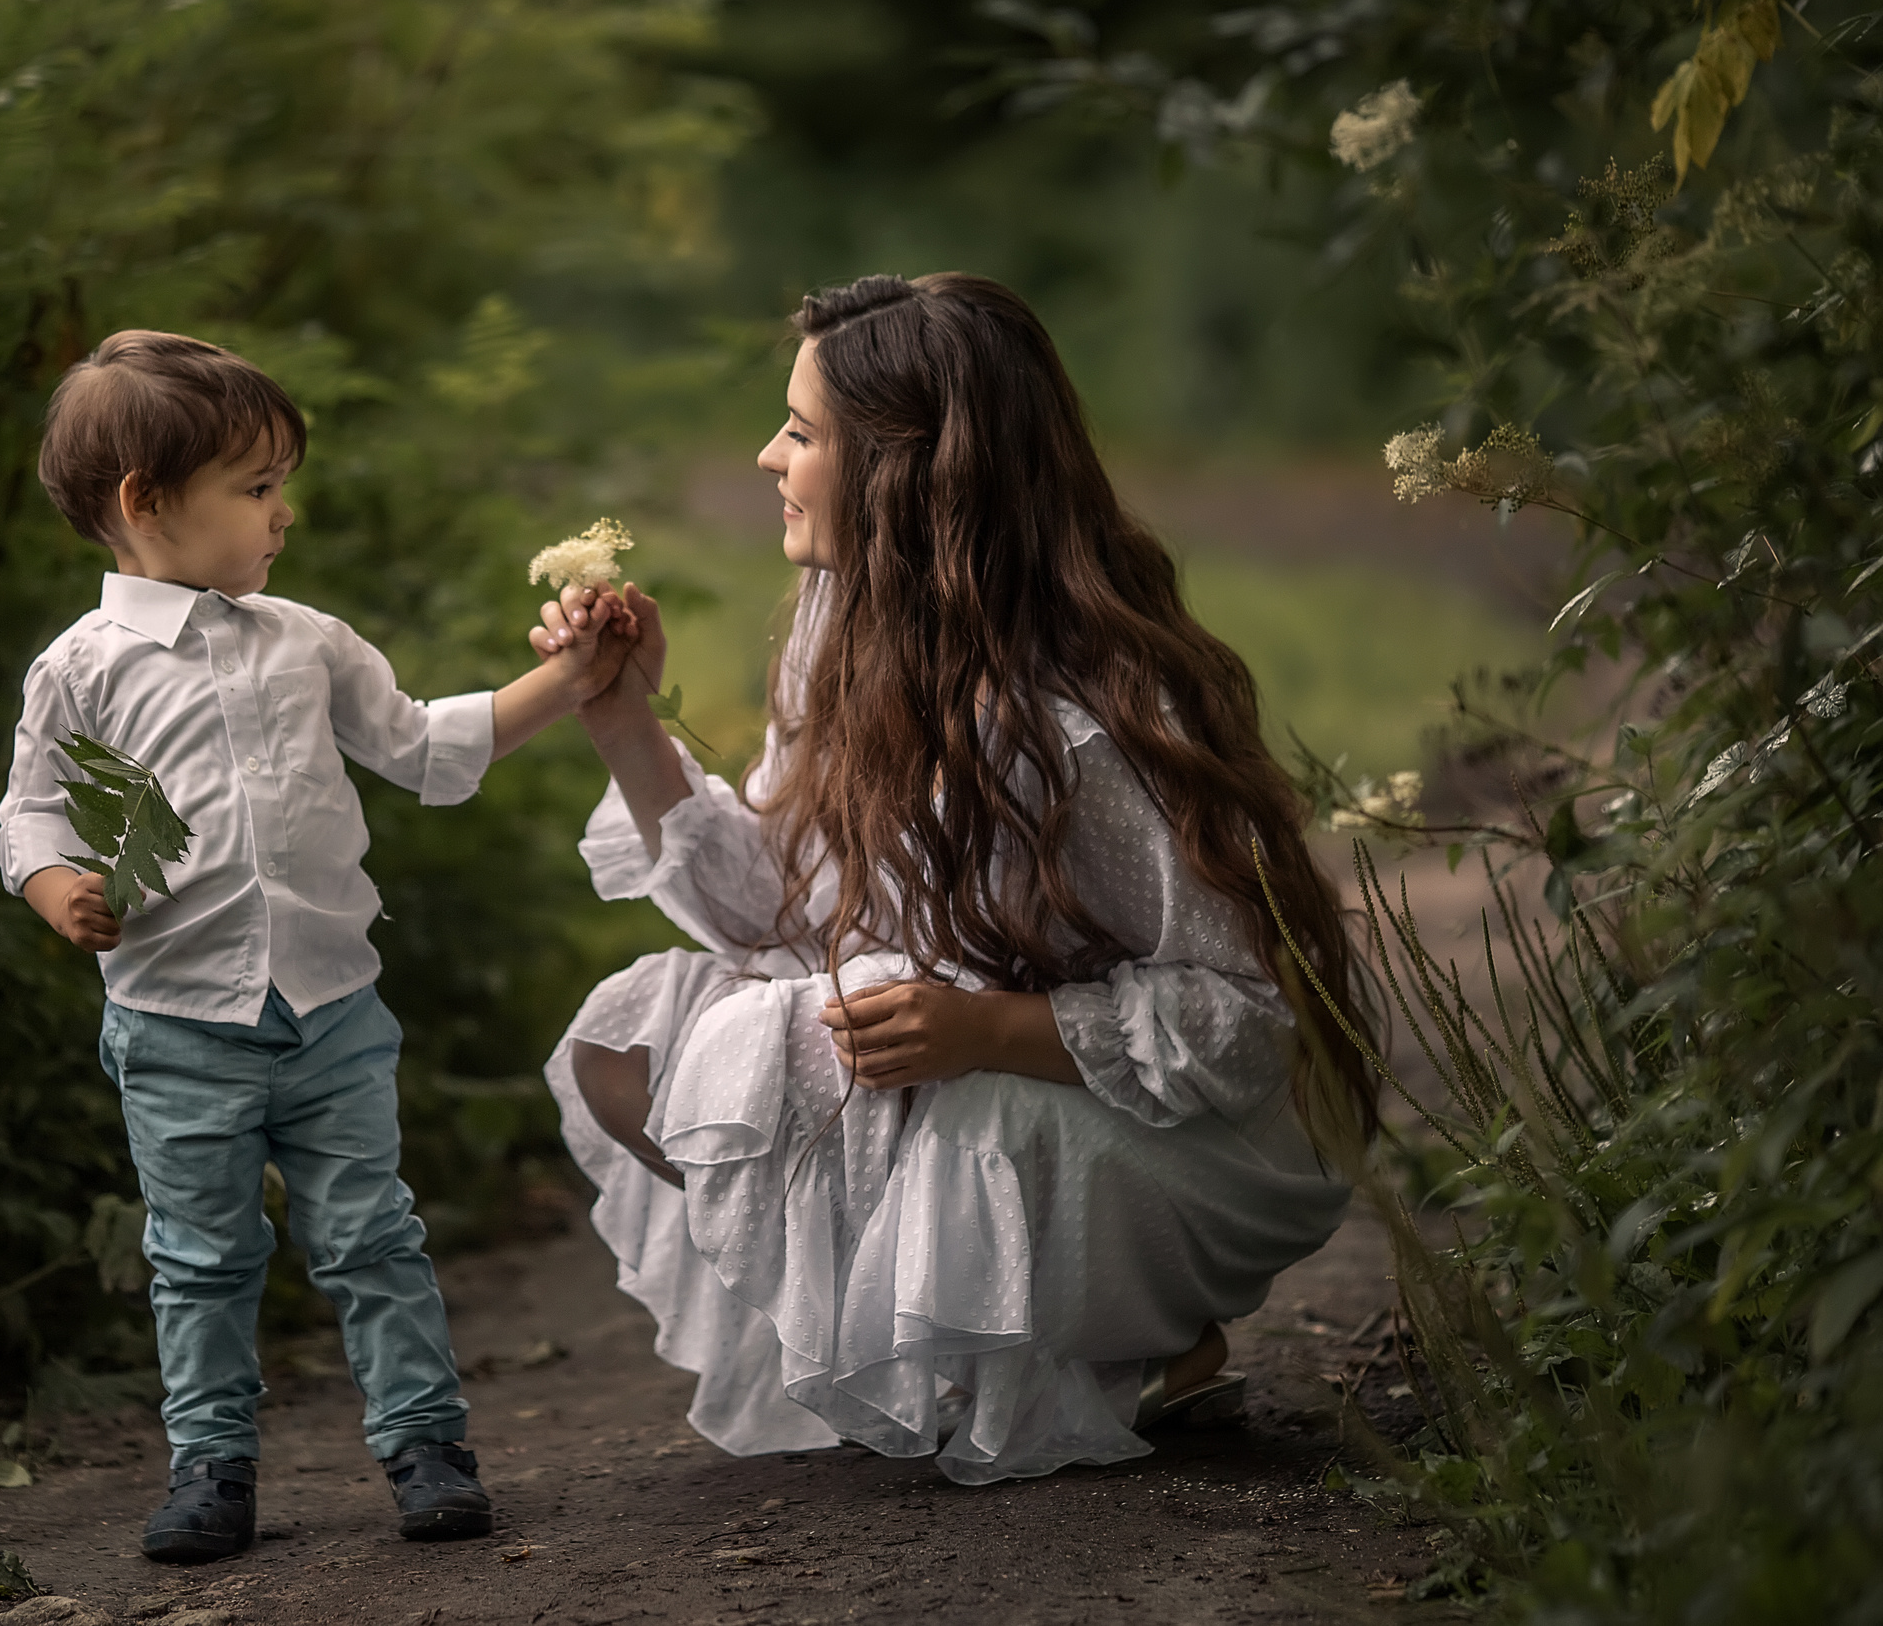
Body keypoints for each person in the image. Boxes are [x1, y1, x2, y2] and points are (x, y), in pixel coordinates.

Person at [529, 273, 1379, 1484]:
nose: (768, 458)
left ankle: (1149, 1333)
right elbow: (776, 913)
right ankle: (944, 1343)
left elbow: (1240, 1023)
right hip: (953, 1065)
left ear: (911, 467)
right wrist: (623, 722)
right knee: (640, 1048)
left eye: (803, 432)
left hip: (1145, 1135)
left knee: (975, 1113)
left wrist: (988, 1028)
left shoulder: (1080, 715)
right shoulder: (842, 630)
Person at [0, 331, 617, 1560]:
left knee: (372, 1235)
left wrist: (574, 678)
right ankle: (211, 1472)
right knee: (201, 1258)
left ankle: (427, 1448)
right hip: (177, 1020)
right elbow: (31, 810)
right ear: (147, 504)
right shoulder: (80, 670)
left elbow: (428, 748)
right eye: (258, 488)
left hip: (330, 1007)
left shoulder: (307, 641)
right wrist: (55, 884)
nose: (287, 512)